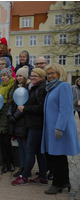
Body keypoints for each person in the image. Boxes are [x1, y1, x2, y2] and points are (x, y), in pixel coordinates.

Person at [41, 63, 80, 194]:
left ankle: (58, 184)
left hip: (59, 128)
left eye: (53, 73)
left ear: (59, 73)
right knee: (59, 156)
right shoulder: (52, 87)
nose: (50, 76)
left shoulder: (63, 86)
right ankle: (64, 181)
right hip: (53, 128)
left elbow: (65, 109)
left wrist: (59, 127)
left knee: (58, 156)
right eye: (48, 73)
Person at [11, 68, 48, 186]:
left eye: (35, 76)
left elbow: (41, 107)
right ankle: (42, 177)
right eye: (31, 76)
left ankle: (24, 177)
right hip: (32, 124)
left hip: (36, 125)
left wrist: (25, 109)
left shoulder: (41, 88)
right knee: (38, 152)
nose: (32, 78)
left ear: (41, 77)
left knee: (30, 151)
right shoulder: (33, 88)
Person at [7, 66, 30, 177]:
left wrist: (15, 117)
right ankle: (22, 167)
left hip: (23, 122)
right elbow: (12, 103)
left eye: (21, 76)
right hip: (16, 123)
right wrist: (9, 115)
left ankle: (26, 169)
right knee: (20, 147)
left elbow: (24, 106)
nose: (19, 78)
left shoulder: (28, 89)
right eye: (18, 75)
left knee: (25, 148)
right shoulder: (16, 88)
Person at [0, 68, 15, 173]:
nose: (3, 77)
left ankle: (11, 163)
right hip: (0, 118)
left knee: (7, 142)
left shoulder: (13, 87)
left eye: (5, 75)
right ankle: (4, 164)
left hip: (8, 117)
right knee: (2, 142)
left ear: (9, 76)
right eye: (1, 75)